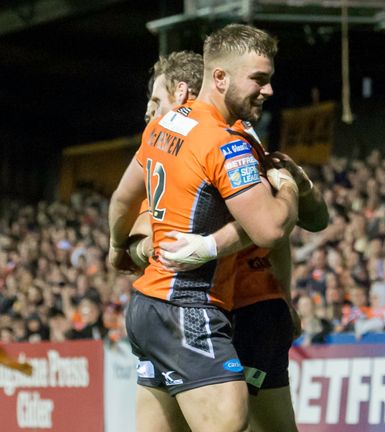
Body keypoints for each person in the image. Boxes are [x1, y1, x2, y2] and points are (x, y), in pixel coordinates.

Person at [127, 34, 328, 432]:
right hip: (204, 309)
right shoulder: (175, 152)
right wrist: (152, 247)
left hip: (241, 310)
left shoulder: (225, 141)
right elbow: (138, 242)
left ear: (183, 93)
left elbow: (283, 228)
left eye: (155, 103)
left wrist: (294, 186)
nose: (149, 114)